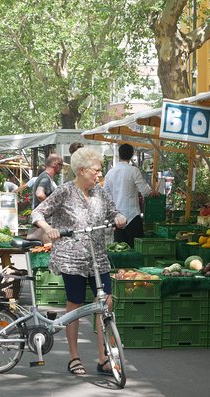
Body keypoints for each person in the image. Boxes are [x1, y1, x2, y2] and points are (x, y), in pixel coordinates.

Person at [31, 147, 127, 376]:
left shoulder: (100, 192)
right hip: (71, 257)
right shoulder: (64, 191)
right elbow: (37, 213)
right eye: (96, 170)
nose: (99, 174)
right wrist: (48, 228)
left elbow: (113, 212)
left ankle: (103, 357)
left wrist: (119, 218)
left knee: (106, 302)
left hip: (98, 257)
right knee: (74, 305)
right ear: (82, 170)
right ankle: (74, 356)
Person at [103, 143, 159, 247]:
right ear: (132, 155)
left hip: (117, 219)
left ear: (119, 155)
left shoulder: (109, 173)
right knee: (136, 250)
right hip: (132, 217)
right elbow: (145, 192)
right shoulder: (133, 171)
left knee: (120, 251)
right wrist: (153, 192)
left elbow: (105, 196)